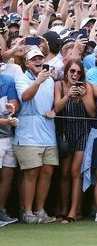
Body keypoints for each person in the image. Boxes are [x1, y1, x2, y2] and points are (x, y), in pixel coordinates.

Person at [14, 48, 58, 224]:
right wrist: (38, 82)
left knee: (47, 172)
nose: (38, 62)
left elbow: (54, 103)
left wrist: (54, 111)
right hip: (28, 134)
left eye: (40, 58)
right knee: (30, 173)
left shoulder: (49, 80)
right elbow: (25, 96)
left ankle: (39, 210)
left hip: (48, 133)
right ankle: (27, 212)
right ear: (27, 63)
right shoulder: (22, 79)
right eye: (34, 59)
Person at [53, 59, 94, 223]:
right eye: (72, 71)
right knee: (64, 173)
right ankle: (64, 208)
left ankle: (73, 211)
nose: (75, 75)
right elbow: (56, 108)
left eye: (78, 72)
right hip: (66, 132)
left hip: (82, 131)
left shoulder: (87, 86)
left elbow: (92, 112)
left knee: (76, 171)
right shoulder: (59, 85)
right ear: (66, 71)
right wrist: (68, 96)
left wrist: (83, 96)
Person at [0, 73, 19, 226]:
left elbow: (14, 103)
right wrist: (6, 120)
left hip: (8, 137)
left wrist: (11, 108)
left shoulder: (7, 80)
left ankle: (1, 210)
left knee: (8, 176)